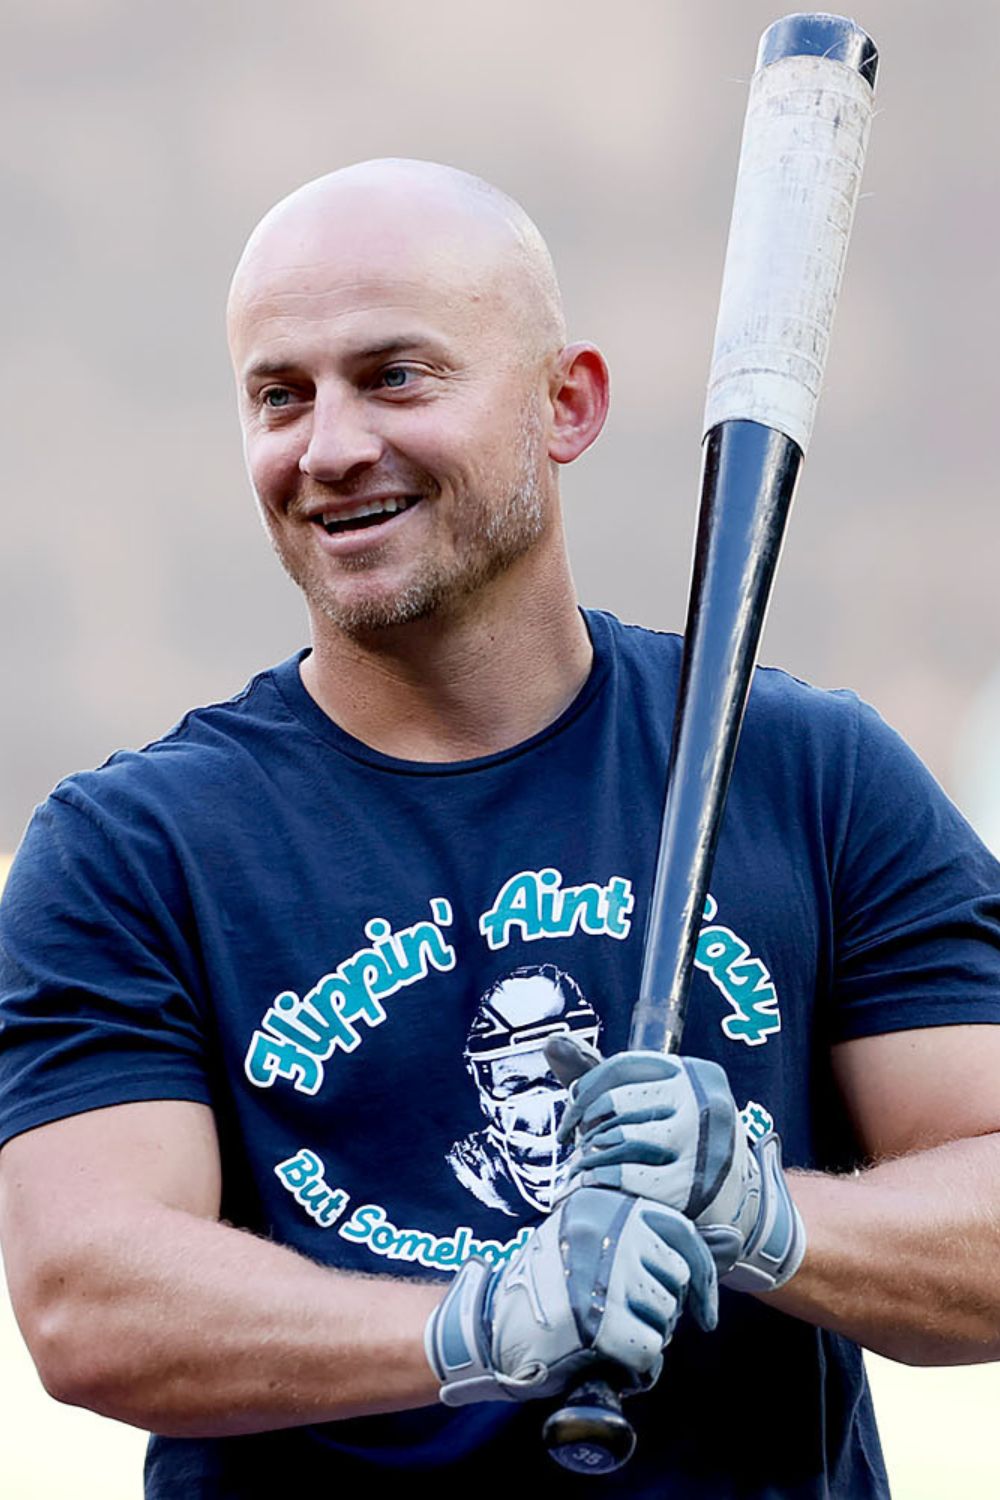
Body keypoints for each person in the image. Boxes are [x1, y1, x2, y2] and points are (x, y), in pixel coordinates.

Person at [2, 158, 1000, 1499]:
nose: (332, 444)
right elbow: (89, 1303)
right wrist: (471, 1327)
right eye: (279, 395)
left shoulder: (808, 773)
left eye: (397, 375)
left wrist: (769, 1216)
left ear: (566, 403)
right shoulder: (135, 849)